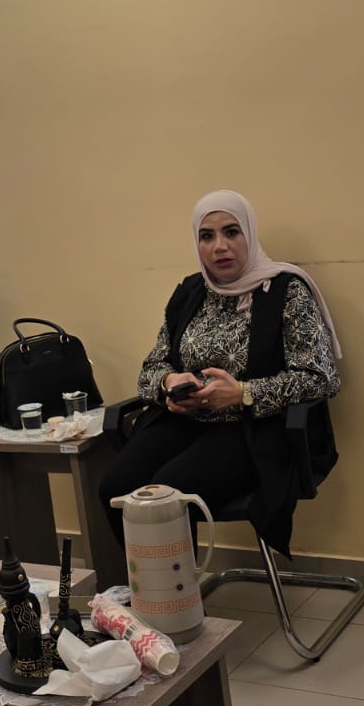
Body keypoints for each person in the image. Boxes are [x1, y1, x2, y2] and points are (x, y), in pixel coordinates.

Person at [97, 190, 341, 557]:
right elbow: (152, 367)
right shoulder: (190, 292)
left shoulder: (286, 291)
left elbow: (321, 377)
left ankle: (178, 590)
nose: (219, 247)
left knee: (168, 493)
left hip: (253, 429)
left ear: (249, 234)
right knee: (115, 489)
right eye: (207, 236)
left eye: (231, 232)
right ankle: (148, 586)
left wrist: (244, 392)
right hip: (185, 422)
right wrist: (169, 383)